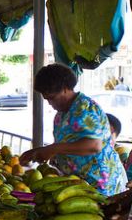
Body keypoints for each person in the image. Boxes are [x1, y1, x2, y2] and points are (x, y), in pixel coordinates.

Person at [19, 64, 127, 196]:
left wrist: (53, 149)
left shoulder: (85, 108)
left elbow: (94, 145)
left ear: (65, 89)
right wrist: (39, 151)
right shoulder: (61, 114)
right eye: (46, 99)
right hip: (77, 183)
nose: (50, 103)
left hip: (100, 184)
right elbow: (66, 144)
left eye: (52, 98)